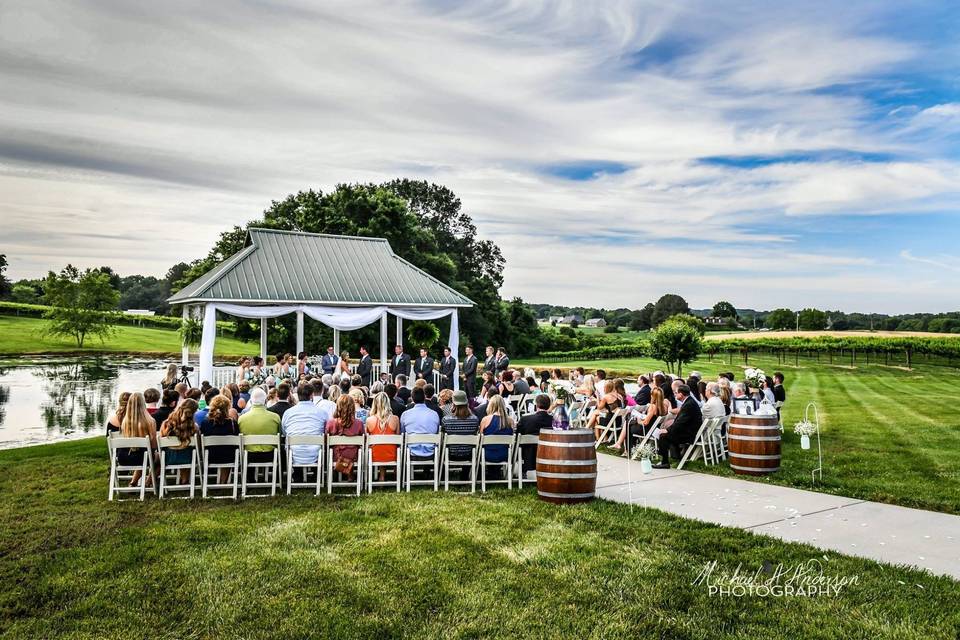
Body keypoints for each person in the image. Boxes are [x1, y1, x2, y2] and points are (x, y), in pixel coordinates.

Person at [114, 392, 159, 487]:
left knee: (143, 454)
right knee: (160, 458)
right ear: (143, 404)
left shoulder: (124, 422)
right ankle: (148, 482)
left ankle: (133, 482)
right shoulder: (150, 421)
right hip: (142, 458)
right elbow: (154, 446)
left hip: (123, 457)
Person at [653, 384, 702, 469]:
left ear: (681, 394)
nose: (675, 394)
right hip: (688, 430)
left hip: (689, 434)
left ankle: (665, 462)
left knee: (663, 435)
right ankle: (677, 457)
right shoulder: (689, 401)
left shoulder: (688, 404)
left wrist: (667, 430)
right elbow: (680, 421)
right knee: (667, 433)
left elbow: (680, 422)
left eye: (676, 393)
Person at [282, 383, 329, 468]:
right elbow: (326, 431)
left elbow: (284, 431)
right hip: (315, 452)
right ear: (311, 395)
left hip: (294, 451)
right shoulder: (322, 412)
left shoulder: (288, 413)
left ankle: (297, 476)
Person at [613, 386, 668, 453]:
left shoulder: (653, 407)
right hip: (654, 428)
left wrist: (639, 419)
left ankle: (627, 450)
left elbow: (645, 423)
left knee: (628, 424)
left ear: (653, 396)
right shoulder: (664, 406)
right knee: (630, 424)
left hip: (647, 430)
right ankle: (629, 447)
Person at [200, 395, 240, 483]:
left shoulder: (205, 423)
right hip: (229, 457)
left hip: (209, 456)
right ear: (227, 408)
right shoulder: (232, 423)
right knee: (228, 450)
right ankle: (223, 481)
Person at [238, 387, 281, 465]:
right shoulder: (275, 417)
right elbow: (279, 435)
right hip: (270, 455)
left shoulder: (241, 419)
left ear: (250, 401)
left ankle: (249, 477)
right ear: (265, 401)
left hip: (248, 455)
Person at [159, 398, 199, 484]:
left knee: (159, 454)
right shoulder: (194, 427)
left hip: (168, 458)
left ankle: (150, 481)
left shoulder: (166, 424)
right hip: (188, 458)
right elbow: (198, 444)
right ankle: (185, 480)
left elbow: (161, 441)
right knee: (189, 450)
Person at [441, 390, 480, 474]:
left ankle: (443, 475)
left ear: (453, 403)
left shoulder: (446, 420)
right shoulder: (475, 420)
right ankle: (465, 475)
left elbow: (443, 436)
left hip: (450, 454)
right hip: (469, 454)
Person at [326, 394, 364, 478]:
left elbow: (326, 440)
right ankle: (349, 474)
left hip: (336, 456)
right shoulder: (359, 423)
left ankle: (337, 472)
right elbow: (363, 440)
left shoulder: (331, 423)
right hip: (353, 456)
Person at [366, 392, 401, 482]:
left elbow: (367, 439)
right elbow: (397, 439)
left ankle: (382, 477)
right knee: (389, 446)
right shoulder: (395, 419)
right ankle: (394, 473)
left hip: (374, 455)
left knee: (378, 446)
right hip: (392, 455)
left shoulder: (369, 420)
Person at [400, 387, 440, 462]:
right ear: (424, 397)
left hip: (411, 452)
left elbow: (402, 433)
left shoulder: (405, 414)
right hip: (431, 452)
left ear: (412, 398)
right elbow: (437, 432)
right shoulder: (434, 414)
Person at [479, 395, 514, 477]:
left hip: (487, 455)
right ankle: (495, 473)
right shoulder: (510, 421)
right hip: (505, 455)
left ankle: (490, 473)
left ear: (491, 405)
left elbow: (480, 438)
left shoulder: (485, 420)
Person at [516, 394, 553, 472]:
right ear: (549, 405)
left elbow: (517, 436)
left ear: (536, 405)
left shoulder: (525, 420)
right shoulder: (553, 421)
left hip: (527, 455)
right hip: (548, 453)